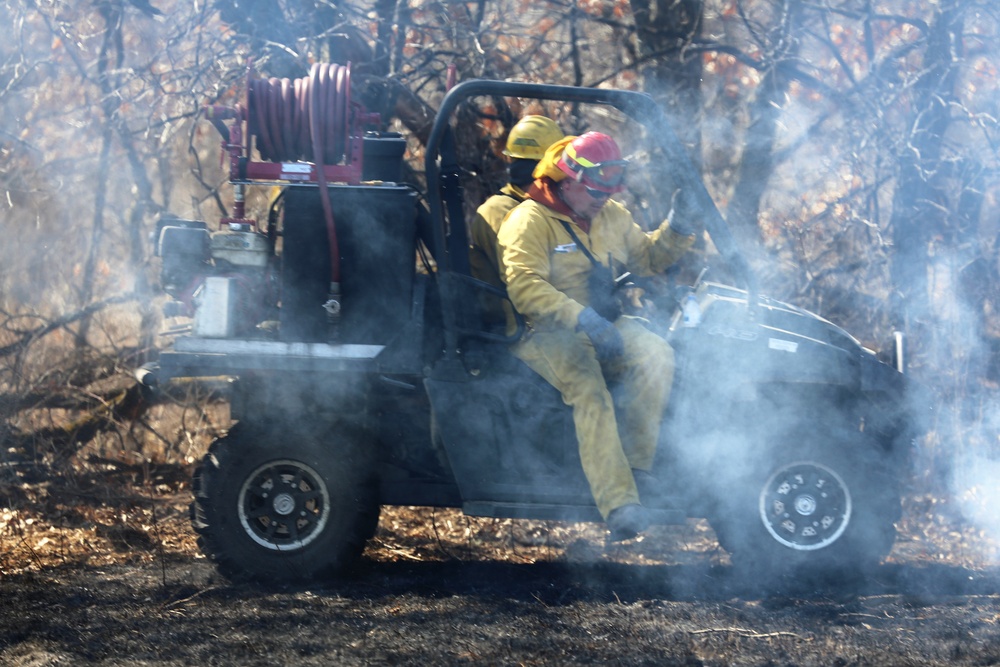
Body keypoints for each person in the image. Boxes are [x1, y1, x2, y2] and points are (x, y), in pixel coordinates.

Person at [497, 131, 701, 540]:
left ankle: (639, 472)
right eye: (595, 190)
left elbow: (647, 258)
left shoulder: (613, 216)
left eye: (610, 190)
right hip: (545, 331)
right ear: (567, 179)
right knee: (590, 391)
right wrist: (582, 318)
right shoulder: (529, 221)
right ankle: (620, 504)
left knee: (656, 354)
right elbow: (524, 287)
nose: (602, 199)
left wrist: (678, 226)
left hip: (606, 325)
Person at [469, 115, 564, 326]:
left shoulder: (554, 206)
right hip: (523, 328)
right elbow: (522, 279)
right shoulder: (497, 211)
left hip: (558, 315)